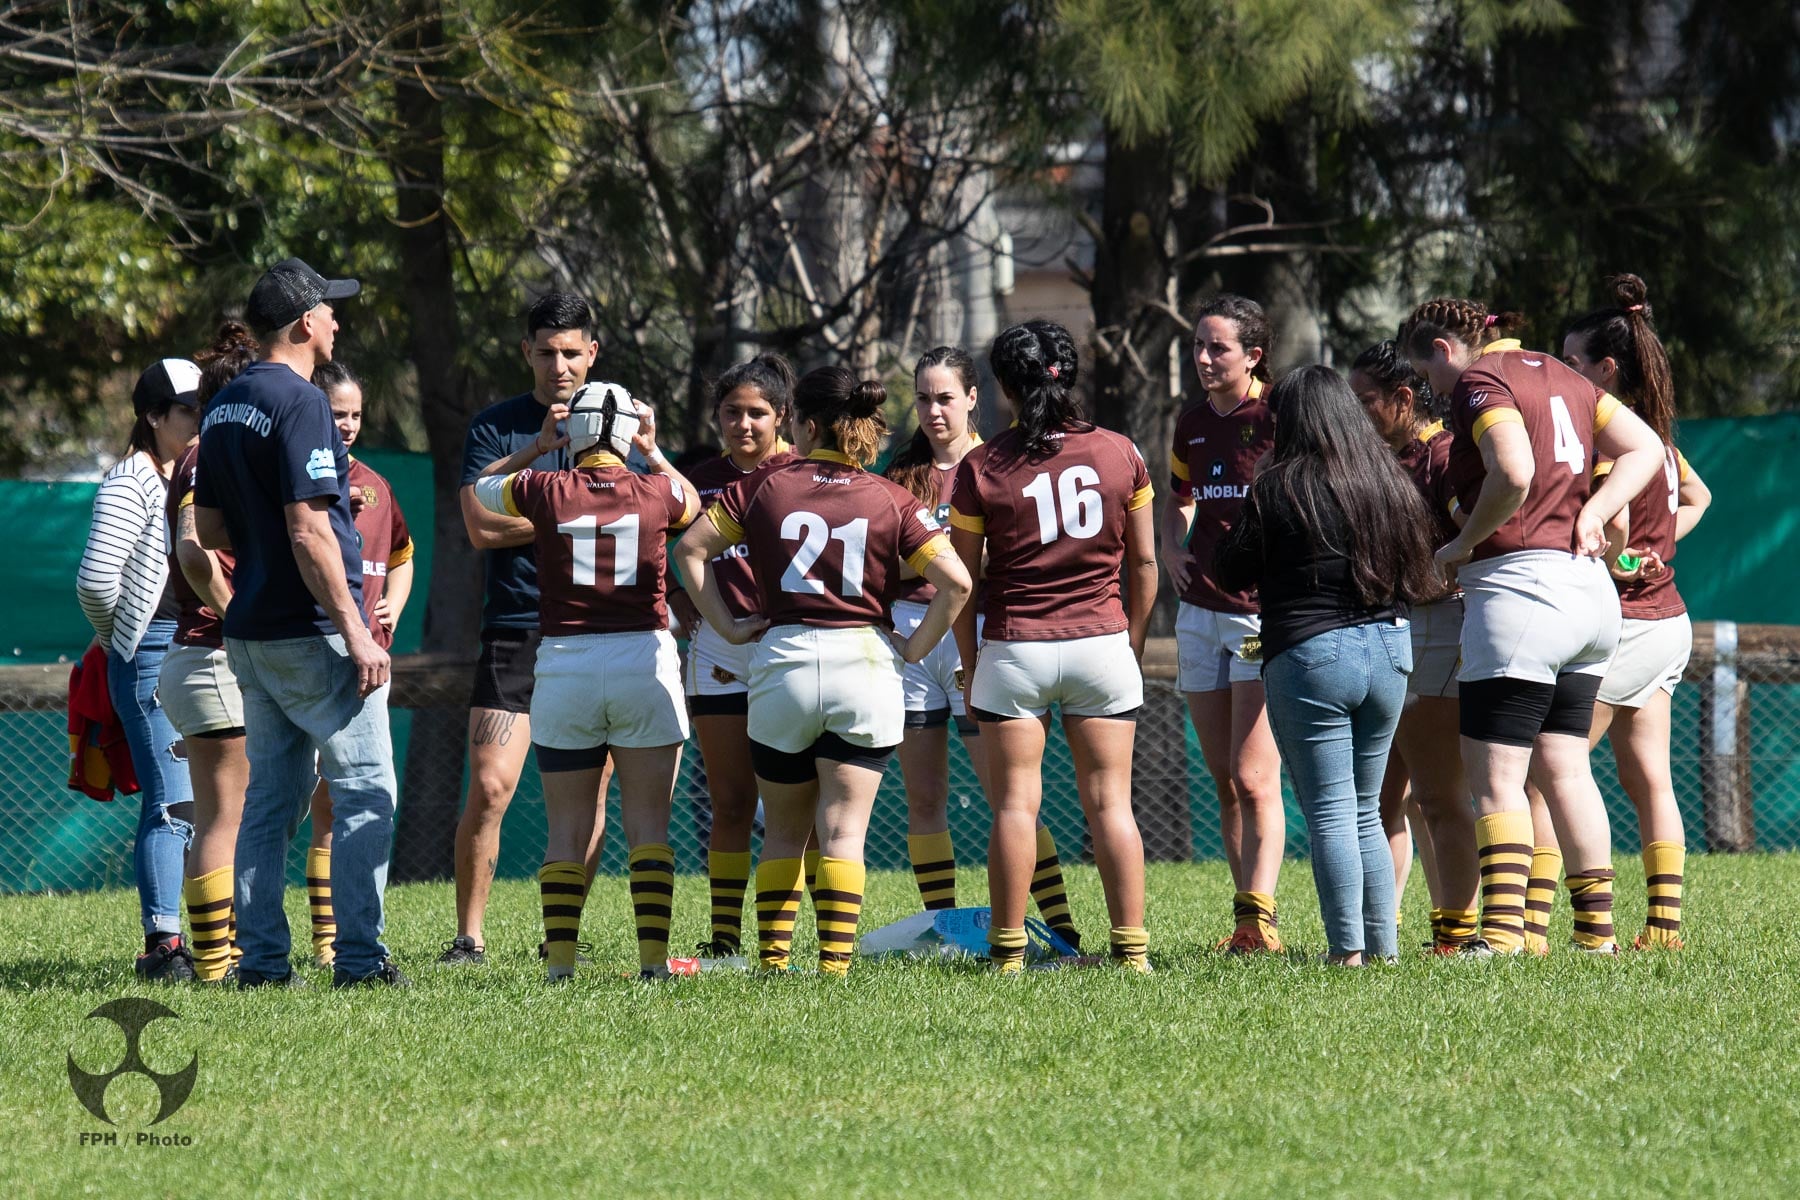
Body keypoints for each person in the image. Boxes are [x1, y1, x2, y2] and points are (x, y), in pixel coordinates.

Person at [674, 367, 971, 977]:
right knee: (842, 832)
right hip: (863, 665)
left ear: (805, 425)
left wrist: (729, 628)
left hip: (783, 662)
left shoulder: (763, 486)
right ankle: (834, 966)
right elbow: (957, 583)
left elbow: (690, 550)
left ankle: (773, 963)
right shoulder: (891, 496)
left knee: (783, 829)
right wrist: (913, 648)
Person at [1398, 297, 1663, 957]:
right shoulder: (1567, 375)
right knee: (1566, 767)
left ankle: (1500, 939)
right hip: (1589, 594)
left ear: (1443, 349)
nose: (1434, 392)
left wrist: (1462, 544)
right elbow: (1646, 448)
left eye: (1426, 374)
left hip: (1520, 592)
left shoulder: (1482, 380)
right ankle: (1596, 935)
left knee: (1496, 778)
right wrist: (1595, 512)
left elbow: (1514, 471)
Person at [193, 256, 407, 988]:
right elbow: (310, 530)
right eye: (330, 308)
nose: (337, 320)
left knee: (269, 803)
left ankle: (260, 963)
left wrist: (261, 549)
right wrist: (356, 631)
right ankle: (360, 962)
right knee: (366, 792)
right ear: (304, 322)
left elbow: (210, 528)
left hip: (250, 629)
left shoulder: (224, 404)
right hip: (312, 631)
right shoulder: (302, 401)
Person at [948, 320, 1159, 973]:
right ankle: (1132, 954)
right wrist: (1131, 642)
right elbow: (1145, 564)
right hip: (1102, 644)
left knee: (1015, 805)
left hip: (1016, 647)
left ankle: (1008, 955)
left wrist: (971, 662)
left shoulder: (981, 465)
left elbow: (963, 582)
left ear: (1003, 386)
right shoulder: (1121, 452)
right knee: (1111, 804)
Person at [1217, 367, 1443, 965]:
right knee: (1368, 810)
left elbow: (1230, 569)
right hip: (1391, 650)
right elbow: (1420, 570)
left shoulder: (1278, 485)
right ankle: (1383, 951)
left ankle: (1347, 952)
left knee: (1331, 813)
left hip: (1312, 653)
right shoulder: (1388, 478)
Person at [475, 382, 700, 981]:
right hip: (641, 661)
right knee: (649, 827)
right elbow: (695, 507)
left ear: (570, 431)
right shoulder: (656, 491)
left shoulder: (543, 487)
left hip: (565, 665)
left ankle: (560, 968)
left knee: (566, 829)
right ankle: (653, 964)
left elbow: (481, 488)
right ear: (629, 432)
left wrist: (536, 447)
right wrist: (653, 451)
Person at [885, 346, 1080, 942]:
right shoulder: (900, 476)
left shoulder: (999, 463)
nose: (933, 411)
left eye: (945, 398)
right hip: (912, 636)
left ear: (973, 398)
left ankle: (1061, 928)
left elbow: (1016, 554)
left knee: (1008, 796)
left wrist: (953, 561)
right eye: (923, 398)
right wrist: (944, 560)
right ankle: (942, 928)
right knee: (924, 797)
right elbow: (883, 561)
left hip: (980, 634)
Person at [443, 293, 613, 965]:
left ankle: (560, 938)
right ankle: (468, 938)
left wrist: (544, 516)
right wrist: (569, 510)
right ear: (526, 353)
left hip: (595, 631)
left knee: (587, 797)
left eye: (571, 352)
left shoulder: (618, 423)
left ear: (592, 353)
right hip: (516, 628)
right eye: (546, 352)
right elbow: (480, 527)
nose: (559, 365)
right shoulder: (496, 427)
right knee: (490, 787)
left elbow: (642, 513)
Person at [1545, 274, 1710, 951]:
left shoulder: (1609, 443)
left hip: (1627, 626)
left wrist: (1620, 556)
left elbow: (1610, 526)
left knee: (1547, 770)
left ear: (1606, 370)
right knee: (1649, 781)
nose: (1564, 374)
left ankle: (1534, 930)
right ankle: (1664, 929)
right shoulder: (1660, 440)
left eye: (1572, 362)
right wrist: (1656, 551)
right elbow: (1699, 498)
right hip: (1668, 621)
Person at [1161, 294, 1287, 953]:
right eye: (1198, 347)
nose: (1204, 359)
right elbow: (1178, 498)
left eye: (1219, 348)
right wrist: (1169, 548)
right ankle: (1246, 923)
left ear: (1253, 356)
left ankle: (1262, 919)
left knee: (1254, 776)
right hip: (1199, 615)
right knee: (1224, 779)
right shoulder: (1190, 423)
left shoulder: (1279, 417)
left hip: (1258, 617)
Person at [1350, 341, 1482, 954]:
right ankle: (1381, 930)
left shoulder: (1443, 455)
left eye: (1366, 401)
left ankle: (1459, 933)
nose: (1356, 413)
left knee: (1438, 795)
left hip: (1436, 628)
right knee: (1380, 798)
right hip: (1387, 631)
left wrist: (1437, 574)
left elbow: (1476, 536)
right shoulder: (1382, 459)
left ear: (1404, 399)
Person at [76, 357, 202, 981]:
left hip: (194, 647)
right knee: (174, 803)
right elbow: (95, 581)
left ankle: (213, 937)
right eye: (188, 409)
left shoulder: (193, 474)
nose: (200, 420)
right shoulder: (132, 482)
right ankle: (163, 945)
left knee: (203, 801)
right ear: (153, 416)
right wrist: (119, 638)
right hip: (151, 649)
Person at [668, 354, 797, 958]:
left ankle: (802, 940)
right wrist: (683, 603)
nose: (743, 424)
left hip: (790, 646)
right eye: (731, 412)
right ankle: (724, 939)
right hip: (720, 649)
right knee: (731, 801)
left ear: (782, 416)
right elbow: (661, 551)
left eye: (757, 413)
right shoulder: (698, 482)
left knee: (798, 806)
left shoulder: (802, 473)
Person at [299, 360, 415, 969]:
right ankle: (237, 948)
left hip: (366, 662)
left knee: (340, 802)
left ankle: (331, 943)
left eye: (355, 415)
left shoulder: (376, 486)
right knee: (281, 801)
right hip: (306, 650)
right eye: (335, 413)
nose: (346, 424)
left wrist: (393, 602)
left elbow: (402, 554)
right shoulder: (294, 477)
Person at [160, 322, 260, 983]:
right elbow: (193, 549)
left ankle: (221, 957)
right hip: (213, 654)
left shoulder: (207, 451)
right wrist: (237, 614)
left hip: (198, 657)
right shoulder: (209, 455)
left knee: (223, 815)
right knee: (226, 817)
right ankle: (218, 967)